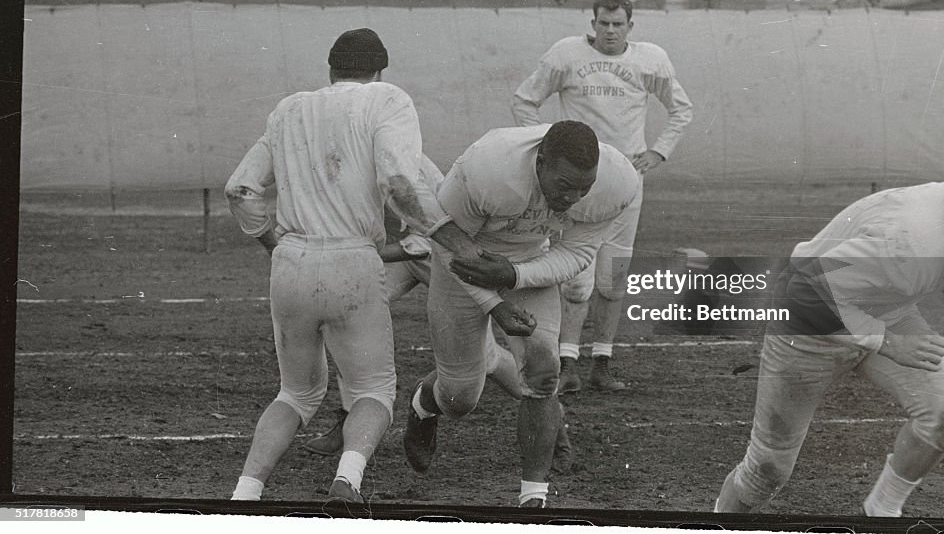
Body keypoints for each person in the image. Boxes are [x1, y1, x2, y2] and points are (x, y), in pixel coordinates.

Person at [224, 28, 478, 504]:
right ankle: (347, 480)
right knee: (374, 391)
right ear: (379, 70)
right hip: (353, 259)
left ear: (330, 70)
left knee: (294, 395)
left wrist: (271, 240)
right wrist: (454, 242)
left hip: (291, 261)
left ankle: (245, 492)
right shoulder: (387, 99)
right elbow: (400, 184)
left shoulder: (288, 108)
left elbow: (240, 190)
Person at [715, 150, 944, 517]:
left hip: (885, 307)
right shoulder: (910, 243)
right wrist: (886, 341)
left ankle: (881, 513)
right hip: (807, 327)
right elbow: (799, 291)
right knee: (766, 472)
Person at [402, 121, 639, 507]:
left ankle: (534, 498)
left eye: (584, 187)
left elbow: (579, 253)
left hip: (529, 261)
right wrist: (495, 304)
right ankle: (424, 405)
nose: (574, 197)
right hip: (461, 265)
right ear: (541, 162)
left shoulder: (618, 181)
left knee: (544, 375)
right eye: (564, 185)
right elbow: (445, 243)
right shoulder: (490, 167)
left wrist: (514, 275)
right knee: (461, 397)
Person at [303, 155, 572, 474]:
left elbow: (422, 242)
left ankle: (554, 424)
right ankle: (349, 416)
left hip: (443, 257)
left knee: (485, 361)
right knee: (345, 316)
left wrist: (358, 252)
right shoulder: (338, 157)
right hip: (397, 256)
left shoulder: (401, 159)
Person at [511, 0, 693, 392]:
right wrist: (549, 145)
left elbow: (682, 109)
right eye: (603, 23)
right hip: (579, 180)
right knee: (576, 277)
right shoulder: (565, 55)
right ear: (592, 24)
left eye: (618, 24)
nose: (610, 31)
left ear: (631, 25)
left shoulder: (651, 59)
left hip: (627, 177)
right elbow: (525, 100)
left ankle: (602, 361)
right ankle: (566, 361)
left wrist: (658, 152)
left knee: (615, 275)